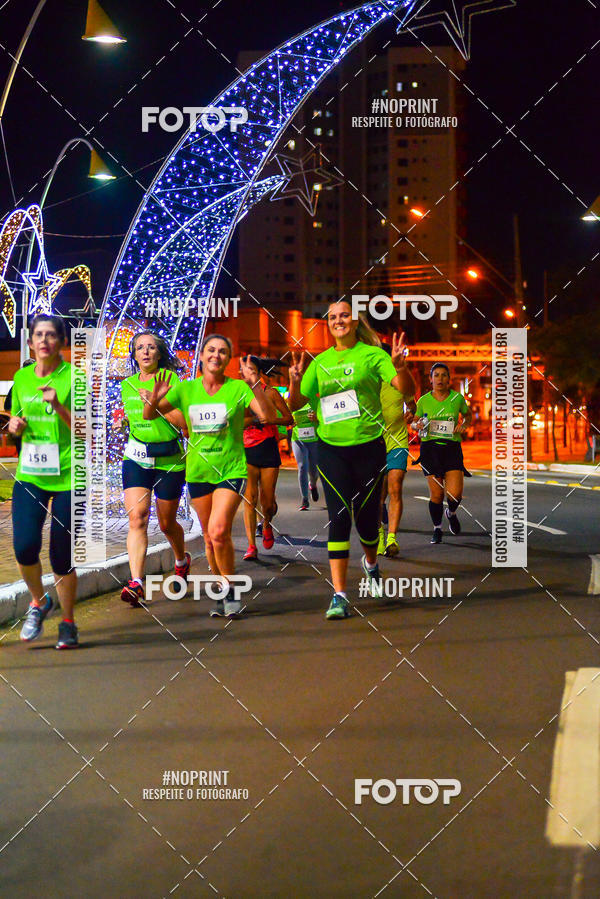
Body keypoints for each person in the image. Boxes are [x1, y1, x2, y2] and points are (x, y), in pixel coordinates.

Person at [288, 299, 416, 620]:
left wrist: (400, 367)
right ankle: (340, 594)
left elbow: (405, 390)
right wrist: (294, 379)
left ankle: (371, 564)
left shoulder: (373, 356)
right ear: (328, 324)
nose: (338, 320)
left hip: (369, 448)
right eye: (333, 317)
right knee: (340, 518)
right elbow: (296, 402)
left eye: (344, 315)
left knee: (367, 522)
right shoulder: (320, 363)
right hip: (331, 449)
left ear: (356, 321)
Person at [141, 334, 274, 616]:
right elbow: (150, 415)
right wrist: (153, 398)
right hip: (198, 472)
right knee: (211, 541)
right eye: (211, 350)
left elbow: (264, 415)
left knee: (218, 530)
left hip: (231, 469)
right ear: (201, 356)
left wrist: (255, 386)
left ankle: (231, 593)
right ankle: (223, 590)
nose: (216, 355)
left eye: (223, 352)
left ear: (229, 359)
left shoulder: (238, 388)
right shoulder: (187, 389)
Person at [8, 315, 79, 648]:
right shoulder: (21, 378)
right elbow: (15, 422)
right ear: (31, 341)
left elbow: (85, 430)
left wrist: (57, 404)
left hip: (67, 477)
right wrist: (15, 428)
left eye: (51, 335)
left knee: (61, 557)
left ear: (61, 341)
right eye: (39, 334)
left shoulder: (74, 378)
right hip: (30, 475)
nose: (45, 340)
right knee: (24, 547)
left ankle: (68, 623)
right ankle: (39, 601)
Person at [113, 331, 188, 606]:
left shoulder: (172, 380)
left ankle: (181, 559)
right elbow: (132, 417)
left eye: (151, 347)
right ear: (133, 354)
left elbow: (185, 424)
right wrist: (122, 422)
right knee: (138, 518)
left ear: (159, 353)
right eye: (140, 348)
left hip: (169, 459)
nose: (145, 351)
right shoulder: (127, 385)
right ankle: (136, 582)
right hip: (136, 457)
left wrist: (154, 404)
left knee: (167, 522)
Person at [413, 362, 472, 544]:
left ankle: (451, 512)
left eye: (443, 375)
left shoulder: (457, 399)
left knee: (455, 494)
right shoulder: (423, 401)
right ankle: (437, 528)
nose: (440, 379)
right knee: (437, 495)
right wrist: (417, 425)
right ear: (430, 379)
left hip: (452, 449)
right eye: (436, 375)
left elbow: (468, 416)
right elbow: (415, 422)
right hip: (430, 450)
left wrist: (463, 426)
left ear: (449, 379)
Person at [242, 357, 292, 560]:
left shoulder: (270, 392)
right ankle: (251, 546)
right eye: (243, 370)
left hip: (268, 448)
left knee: (267, 501)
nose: (246, 373)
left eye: (251, 370)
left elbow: (289, 418)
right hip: (246, 449)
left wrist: (273, 420)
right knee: (249, 499)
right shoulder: (238, 394)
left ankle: (267, 523)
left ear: (259, 372)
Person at [377, 347, 416, 557]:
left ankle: (392, 538)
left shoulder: (399, 380)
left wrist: (411, 413)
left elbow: (412, 404)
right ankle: (379, 537)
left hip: (397, 442)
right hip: (373, 444)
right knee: (378, 496)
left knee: (395, 487)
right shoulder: (368, 382)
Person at [291, 402, 320, 510]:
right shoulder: (293, 398)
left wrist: (317, 417)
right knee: (302, 466)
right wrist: (290, 421)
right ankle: (304, 499)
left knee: (313, 470)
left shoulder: (313, 397)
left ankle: (312, 484)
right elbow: (286, 415)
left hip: (314, 439)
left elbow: (326, 415)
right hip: (298, 438)